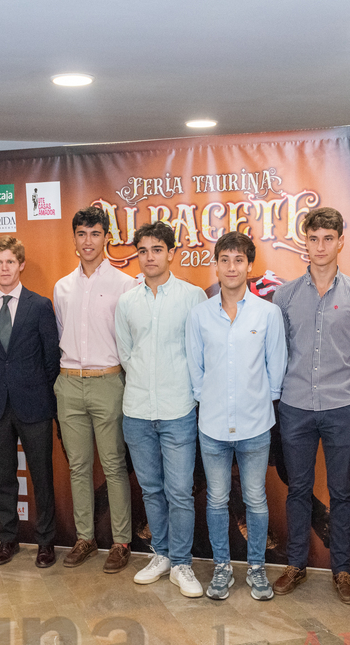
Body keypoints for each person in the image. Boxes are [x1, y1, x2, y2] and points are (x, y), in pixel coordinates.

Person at [271, 207, 350, 604]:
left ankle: (342, 571)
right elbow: (277, 352)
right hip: (294, 406)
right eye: (313, 238)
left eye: (328, 238)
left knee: (341, 492)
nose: (320, 246)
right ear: (305, 243)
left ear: (341, 241)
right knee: (297, 490)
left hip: (341, 407)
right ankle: (295, 563)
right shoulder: (285, 295)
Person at [187, 231, 287, 601]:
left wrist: (258, 402)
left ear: (249, 266)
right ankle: (223, 568)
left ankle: (257, 569)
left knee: (256, 500)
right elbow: (195, 371)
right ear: (216, 265)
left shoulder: (268, 313)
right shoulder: (199, 314)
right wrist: (210, 401)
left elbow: (275, 370)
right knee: (216, 500)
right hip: (212, 426)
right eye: (224, 260)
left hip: (256, 424)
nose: (231, 267)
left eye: (238, 260)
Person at [116, 222, 207, 597]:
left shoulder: (193, 296)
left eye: (157, 249)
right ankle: (162, 555)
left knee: (180, 491)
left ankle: (183, 564)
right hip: (137, 410)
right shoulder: (127, 301)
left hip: (178, 409)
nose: (149, 257)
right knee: (151, 489)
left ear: (172, 253)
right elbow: (126, 354)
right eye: (143, 250)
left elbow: (201, 352)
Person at [53, 206, 136, 572]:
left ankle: (121, 542)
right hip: (69, 383)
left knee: (115, 466)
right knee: (79, 467)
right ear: (74, 239)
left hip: (108, 382)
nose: (88, 241)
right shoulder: (62, 287)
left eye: (95, 234)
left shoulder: (125, 284)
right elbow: (59, 332)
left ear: (107, 238)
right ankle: (85, 538)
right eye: (82, 234)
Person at [0, 236, 61, 567]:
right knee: (3, 476)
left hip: (35, 404)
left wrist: (36, 388)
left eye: (10, 261)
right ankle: (8, 539)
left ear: (21, 264)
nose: (4, 268)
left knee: (42, 476)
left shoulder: (39, 306)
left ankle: (46, 542)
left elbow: (51, 358)